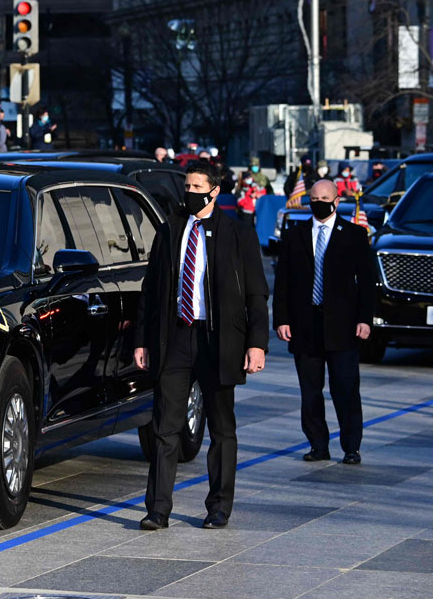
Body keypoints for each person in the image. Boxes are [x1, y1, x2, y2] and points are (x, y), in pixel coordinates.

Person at [134, 160, 269, 530]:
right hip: (176, 338)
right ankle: (157, 509)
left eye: (197, 187)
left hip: (219, 340)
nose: (190, 193)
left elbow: (257, 294)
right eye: (187, 187)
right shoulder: (170, 230)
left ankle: (219, 507)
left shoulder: (238, 234)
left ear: (215, 190)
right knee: (165, 426)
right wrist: (142, 340)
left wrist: (257, 344)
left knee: (222, 428)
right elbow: (151, 289)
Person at [273, 179, 375, 465]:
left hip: (342, 326)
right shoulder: (295, 235)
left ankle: (351, 446)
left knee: (345, 388)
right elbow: (283, 282)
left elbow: (367, 283)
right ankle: (318, 444)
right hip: (305, 325)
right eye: (313, 198)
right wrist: (281, 319)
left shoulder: (354, 234)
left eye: (324, 198)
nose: (318, 203)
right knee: (310, 391)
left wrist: (364, 319)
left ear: (337, 200)